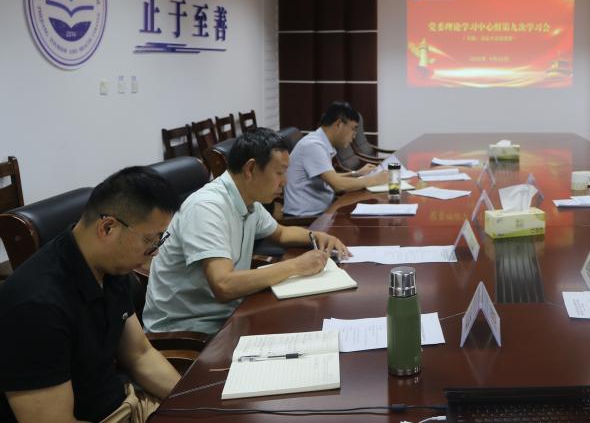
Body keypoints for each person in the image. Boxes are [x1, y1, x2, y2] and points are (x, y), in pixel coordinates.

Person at [0, 167, 182, 423]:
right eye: (150, 241)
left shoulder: (111, 266)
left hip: (125, 404)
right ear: (107, 228)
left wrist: (191, 402)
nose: (155, 252)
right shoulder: (35, 307)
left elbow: (139, 355)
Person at [143, 128, 349, 335]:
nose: (285, 181)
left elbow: (281, 233)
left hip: (228, 312)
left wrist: (317, 236)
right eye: (279, 173)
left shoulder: (247, 199)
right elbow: (223, 285)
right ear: (251, 169)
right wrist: (296, 265)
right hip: (188, 330)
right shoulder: (206, 207)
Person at [282, 101, 387, 218]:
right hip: (307, 218)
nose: (354, 136)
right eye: (353, 129)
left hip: (323, 210)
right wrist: (375, 180)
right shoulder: (313, 145)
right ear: (339, 124)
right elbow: (337, 185)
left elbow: (330, 177)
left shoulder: (320, 142)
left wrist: (356, 174)